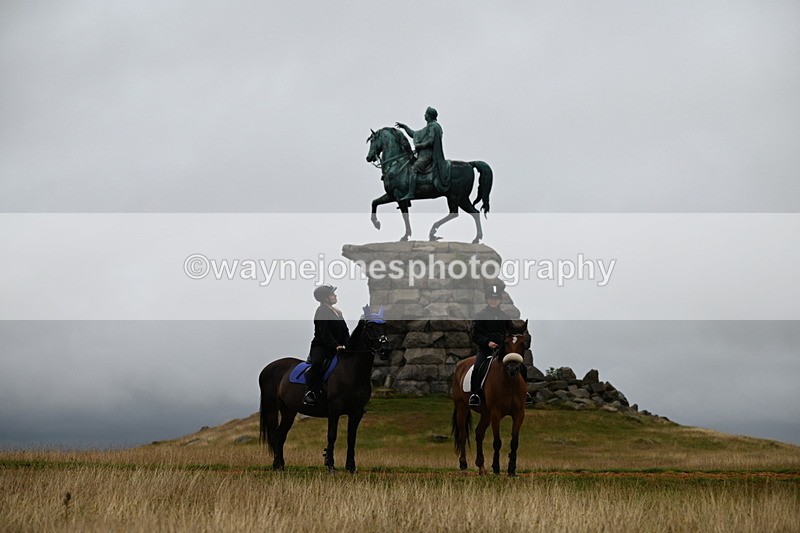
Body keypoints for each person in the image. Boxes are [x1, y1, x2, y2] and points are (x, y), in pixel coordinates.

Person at [469, 282, 531, 407]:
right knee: (477, 368)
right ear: (487, 300)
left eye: (496, 299)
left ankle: (525, 393)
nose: (493, 301)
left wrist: (520, 331)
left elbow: (511, 331)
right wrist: (487, 342)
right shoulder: (480, 316)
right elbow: (475, 334)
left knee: (522, 367)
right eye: (491, 298)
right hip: (485, 350)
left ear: (500, 300)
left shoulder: (505, 316)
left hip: (502, 350)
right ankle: (475, 395)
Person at [304, 284, 349, 406]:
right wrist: (336, 345)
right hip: (321, 346)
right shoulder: (321, 311)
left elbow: (345, 331)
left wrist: (348, 344)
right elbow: (324, 333)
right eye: (332, 294)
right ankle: (309, 391)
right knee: (318, 363)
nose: (335, 295)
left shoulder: (338, 312)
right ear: (325, 298)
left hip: (338, 347)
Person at [395, 106, 447, 201]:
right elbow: (414, 134)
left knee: (413, 169)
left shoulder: (434, 126)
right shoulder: (428, 127)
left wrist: (419, 146)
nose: (424, 115)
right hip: (423, 156)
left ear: (430, 116)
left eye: (426, 114)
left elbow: (431, 141)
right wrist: (405, 127)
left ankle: (411, 193)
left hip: (428, 156)